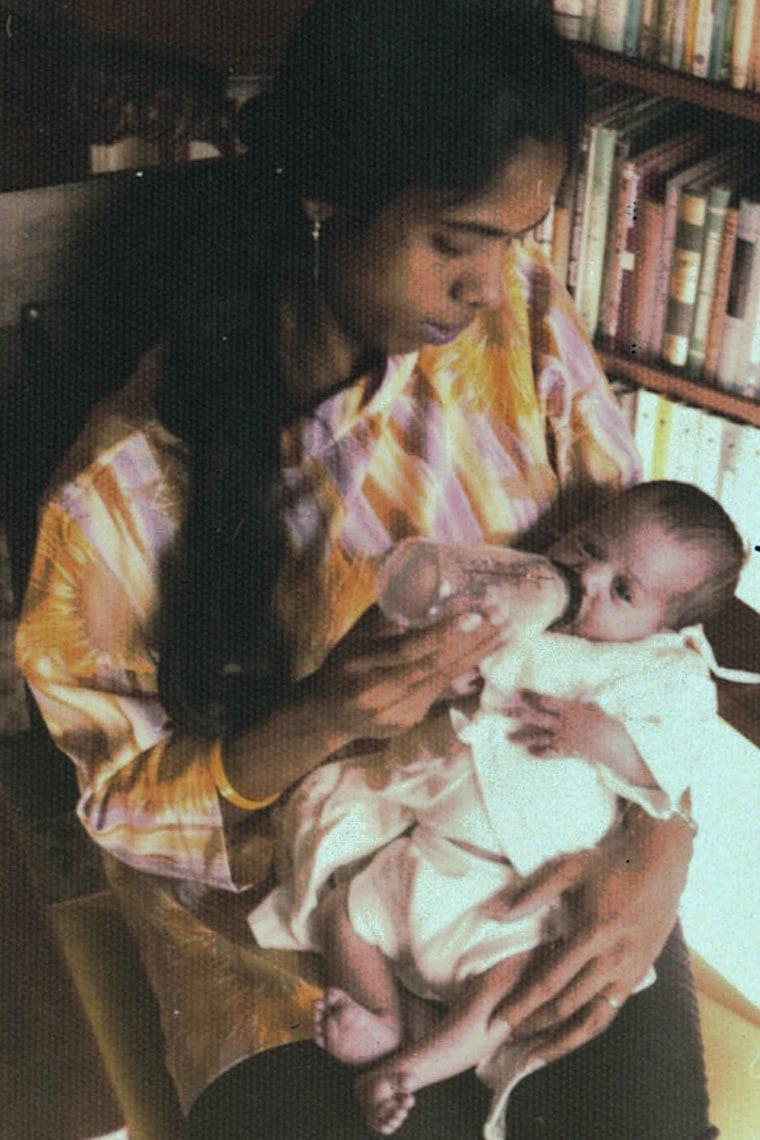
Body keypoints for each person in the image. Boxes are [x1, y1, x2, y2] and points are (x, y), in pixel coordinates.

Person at [14, 2, 718, 1137]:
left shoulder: (522, 322)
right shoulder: (122, 493)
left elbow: (653, 612)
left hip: (536, 864)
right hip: (289, 953)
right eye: (456, 240)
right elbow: (119, 808)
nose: (490, 285)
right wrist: (324, 715)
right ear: (323, 205)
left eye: (512, 239)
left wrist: (657, 858)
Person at [250, 480, 748, 1137]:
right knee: (346, 913)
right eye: (587, 547)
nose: (588, 577)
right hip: (427, 852)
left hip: (518, 892)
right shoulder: (528, 609)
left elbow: (670, 762)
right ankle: (384, 1021)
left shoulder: (659, 673)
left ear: (669, 627)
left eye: (623, 590)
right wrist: (447, 678)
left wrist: (600, 736)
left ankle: (412, 1069)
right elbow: (453, 673)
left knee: (507, 990)